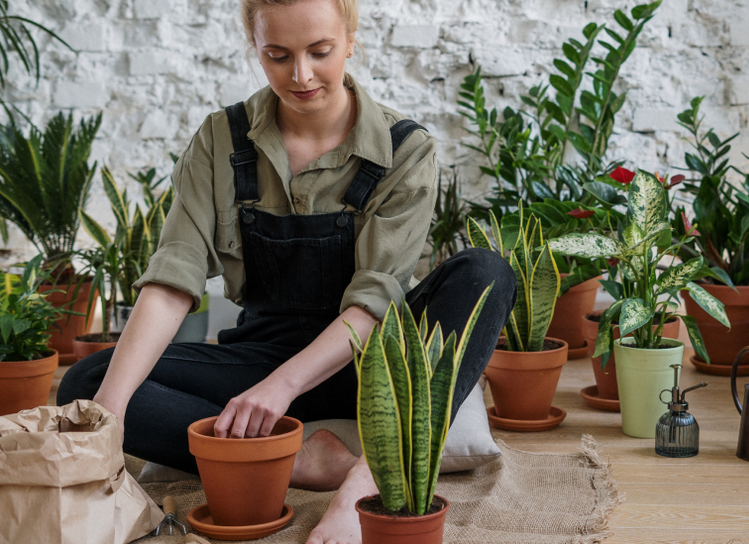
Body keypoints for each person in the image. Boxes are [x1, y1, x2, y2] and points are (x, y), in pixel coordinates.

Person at [57, 0, 515, 542]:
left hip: (375, 364)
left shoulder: (404, 150)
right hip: (259, 355)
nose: (300, 76)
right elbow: (172, 280)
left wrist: (279, 390)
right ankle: (302, 461)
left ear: (350, 39)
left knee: (487, 271)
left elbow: (374, 301)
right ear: (255, 47)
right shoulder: (220, 141)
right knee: (89, 383)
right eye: (277, 56)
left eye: (319, 52)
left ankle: (368, 478)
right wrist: (108, 417)